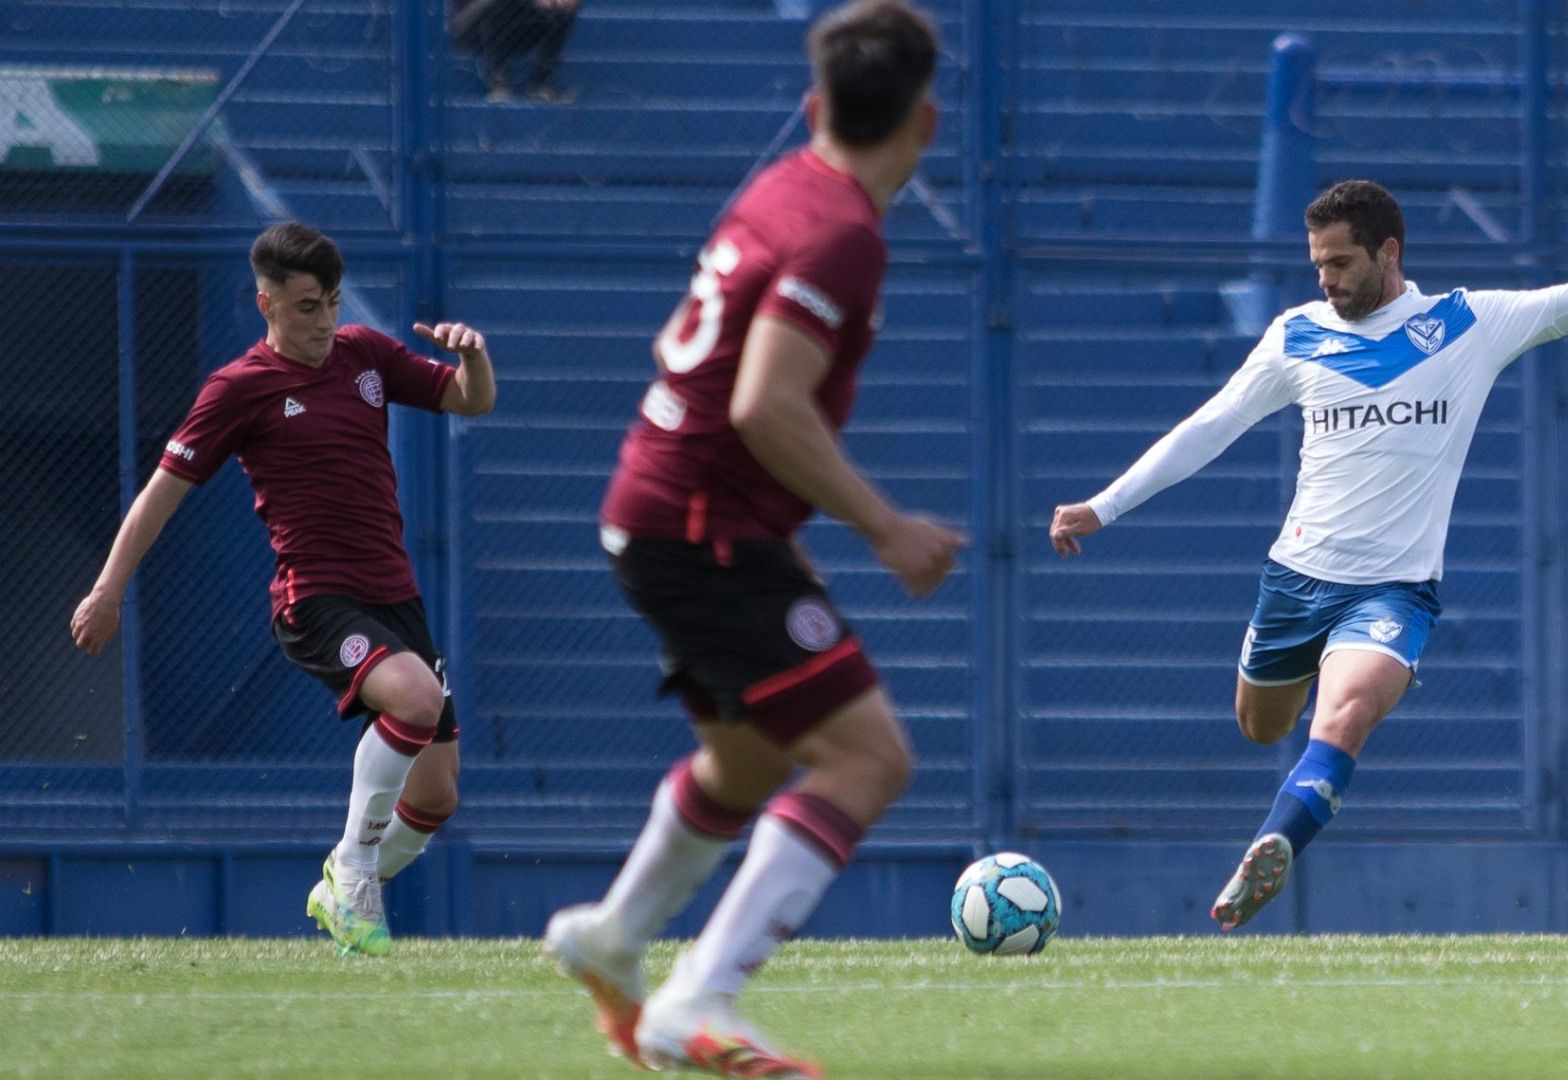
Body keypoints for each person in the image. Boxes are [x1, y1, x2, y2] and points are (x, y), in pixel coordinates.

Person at [1050, 166, 1568, 933]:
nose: (1327, 278)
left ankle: (1275, 845)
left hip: (1393, 590)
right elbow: (1211, 425)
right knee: (1262, 726)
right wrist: (1105, 505)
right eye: (1318, 265)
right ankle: (1288, 780)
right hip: (1296, 579)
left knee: (1346, 715)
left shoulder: (1468, 325)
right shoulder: (1297, 335)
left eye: (1341, 262)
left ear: (1388, 251)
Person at [537, 1, 954, 1075]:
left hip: (659, 508)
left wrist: (773, 525)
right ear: (926, 121)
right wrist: (886, 527)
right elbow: (765, 403)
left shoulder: (778, 188)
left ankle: (615, 936)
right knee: (868, 758)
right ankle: (698, 1001)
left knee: (752, 755)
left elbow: (687, 355)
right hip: (698, 525)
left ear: (814, 107)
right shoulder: (844, 235)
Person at [70, 222, 498, 957]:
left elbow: (469, 400)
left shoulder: (364, 355)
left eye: (331, 302)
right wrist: (108, 589)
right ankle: (354, 872)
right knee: (416, 699)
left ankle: (343, 884)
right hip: (316, 600)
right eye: (306, 307)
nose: (325, 321)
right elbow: (160, 495)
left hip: (395, 596)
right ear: (265, 303)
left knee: (436, 794)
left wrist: (474, 358)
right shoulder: (239, 388)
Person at [451, 0, 580, 103]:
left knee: (565, 5)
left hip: (518, 24)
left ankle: (541, 84)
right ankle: (498, 80)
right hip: (473, 24)